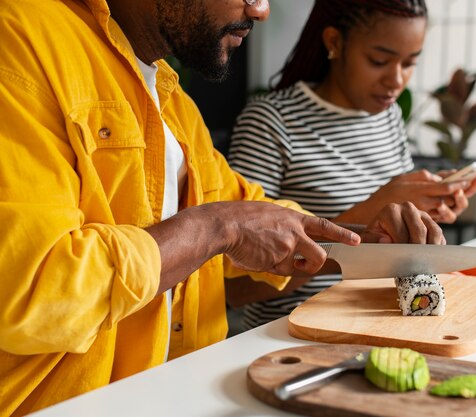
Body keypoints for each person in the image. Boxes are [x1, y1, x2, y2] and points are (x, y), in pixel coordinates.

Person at [0, 0, 446, 415]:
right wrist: (216, 228)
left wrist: (368, 242)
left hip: (185, 395)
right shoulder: (19, 37)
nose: (261, 10)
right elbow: (33, 290)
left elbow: (257, 218)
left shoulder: (176, 107)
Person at [227, 0, 476, 330]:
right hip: (292, 334)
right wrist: (366, 214)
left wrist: (426, 207)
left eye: (409, 63)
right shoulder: (271, 122)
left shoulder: (388, 117)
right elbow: (237, 287)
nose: (396, 80)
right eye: (379, 60)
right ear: (334, 42)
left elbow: (392, 236)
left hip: (386, 322)